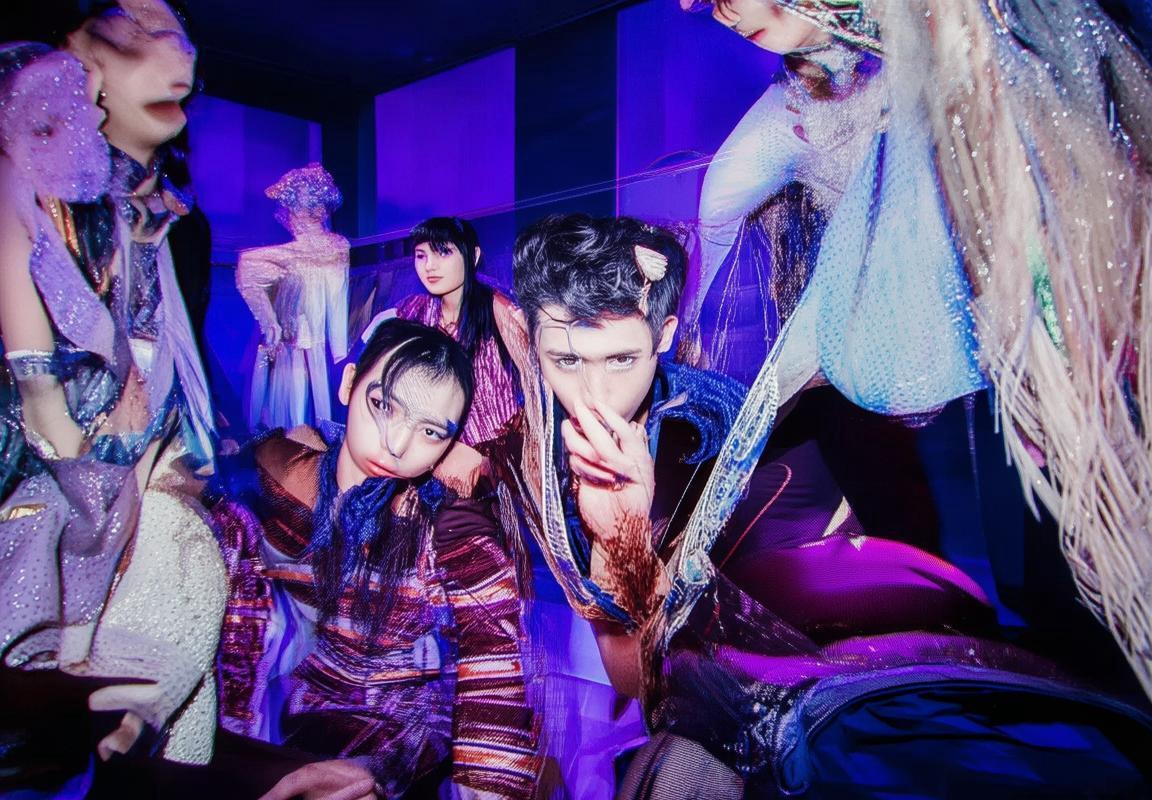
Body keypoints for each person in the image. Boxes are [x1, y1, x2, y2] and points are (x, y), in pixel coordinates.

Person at [503, 213, 1152, 797]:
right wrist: (616, 543)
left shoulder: (728, 433)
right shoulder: (548, 452)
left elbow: (723, 664)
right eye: (567, 360)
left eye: (621, 359)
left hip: (877, 659)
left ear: (665, 335)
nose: (593, 394)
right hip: (748, 696)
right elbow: (634, 676)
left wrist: (628, 541)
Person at [680, 0, 1152, 699]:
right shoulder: (807, 120)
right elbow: (725, 218)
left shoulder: (980, 48)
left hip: (1075, 393)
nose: (707, 10)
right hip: (995, 424)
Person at [0, 0, 224, 788]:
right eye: (142, 34)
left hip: (128, 477)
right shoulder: (30, 190)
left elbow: (167, 360)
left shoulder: (176, 226)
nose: (177, 62)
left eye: (181, 39)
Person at [209, 317, 540, 800]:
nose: (397, 445)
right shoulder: (270, 487)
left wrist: (399, 771)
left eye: (431, 431)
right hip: (274, 725)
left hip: (403, 740)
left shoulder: (451, 531)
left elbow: (492, 671)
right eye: (383, 406)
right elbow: (229, 633)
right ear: (349, 384)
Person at [236, 162, 350, 430]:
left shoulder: (334, 247)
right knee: (294, 411)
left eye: (296, 209)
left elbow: (337, 306)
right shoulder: (288, 255)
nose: (291, 217)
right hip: (295, 347)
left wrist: (339, 352)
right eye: (292, 209)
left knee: (308, 410)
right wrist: (270, 322)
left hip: (315, 347)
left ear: (317, 211)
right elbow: (248, 272)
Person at [395, 217, 519, 448]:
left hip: (501, 452)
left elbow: (538, 382)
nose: (429, 266)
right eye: (421, 256)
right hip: (437, 450)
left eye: (443, 252)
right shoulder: (414, 312)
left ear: (473, 256)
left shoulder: (499, 310)